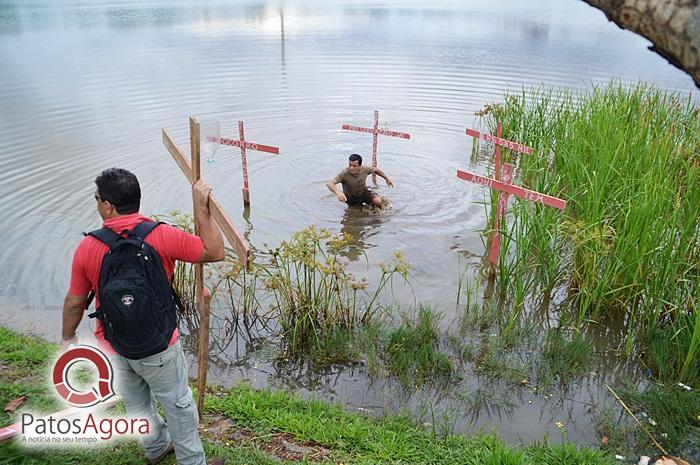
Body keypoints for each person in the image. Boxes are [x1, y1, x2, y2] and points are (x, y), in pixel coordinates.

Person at [61, 168, 224, 465]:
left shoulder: (88, 247)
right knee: (178, 406)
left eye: (97, 199)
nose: (97, 204)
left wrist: (68, 336)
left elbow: (74, 302)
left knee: (137, 404)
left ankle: (155, 448)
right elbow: (214, 251)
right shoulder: (161, 236)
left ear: (108, 206)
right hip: (160, 347)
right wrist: (202, 208)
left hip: (113, 344)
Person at [326, 153, 393, 207]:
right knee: (353, 215)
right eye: (350, 165)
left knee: (378, 201)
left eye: (354, 166)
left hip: (363, 193)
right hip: (351, 199)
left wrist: (386, 178)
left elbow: (375, 170)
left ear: (360, 166)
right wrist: (337, 192)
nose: (351, 168)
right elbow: (329, 183)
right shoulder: (344, 173)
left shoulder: (365, 169)